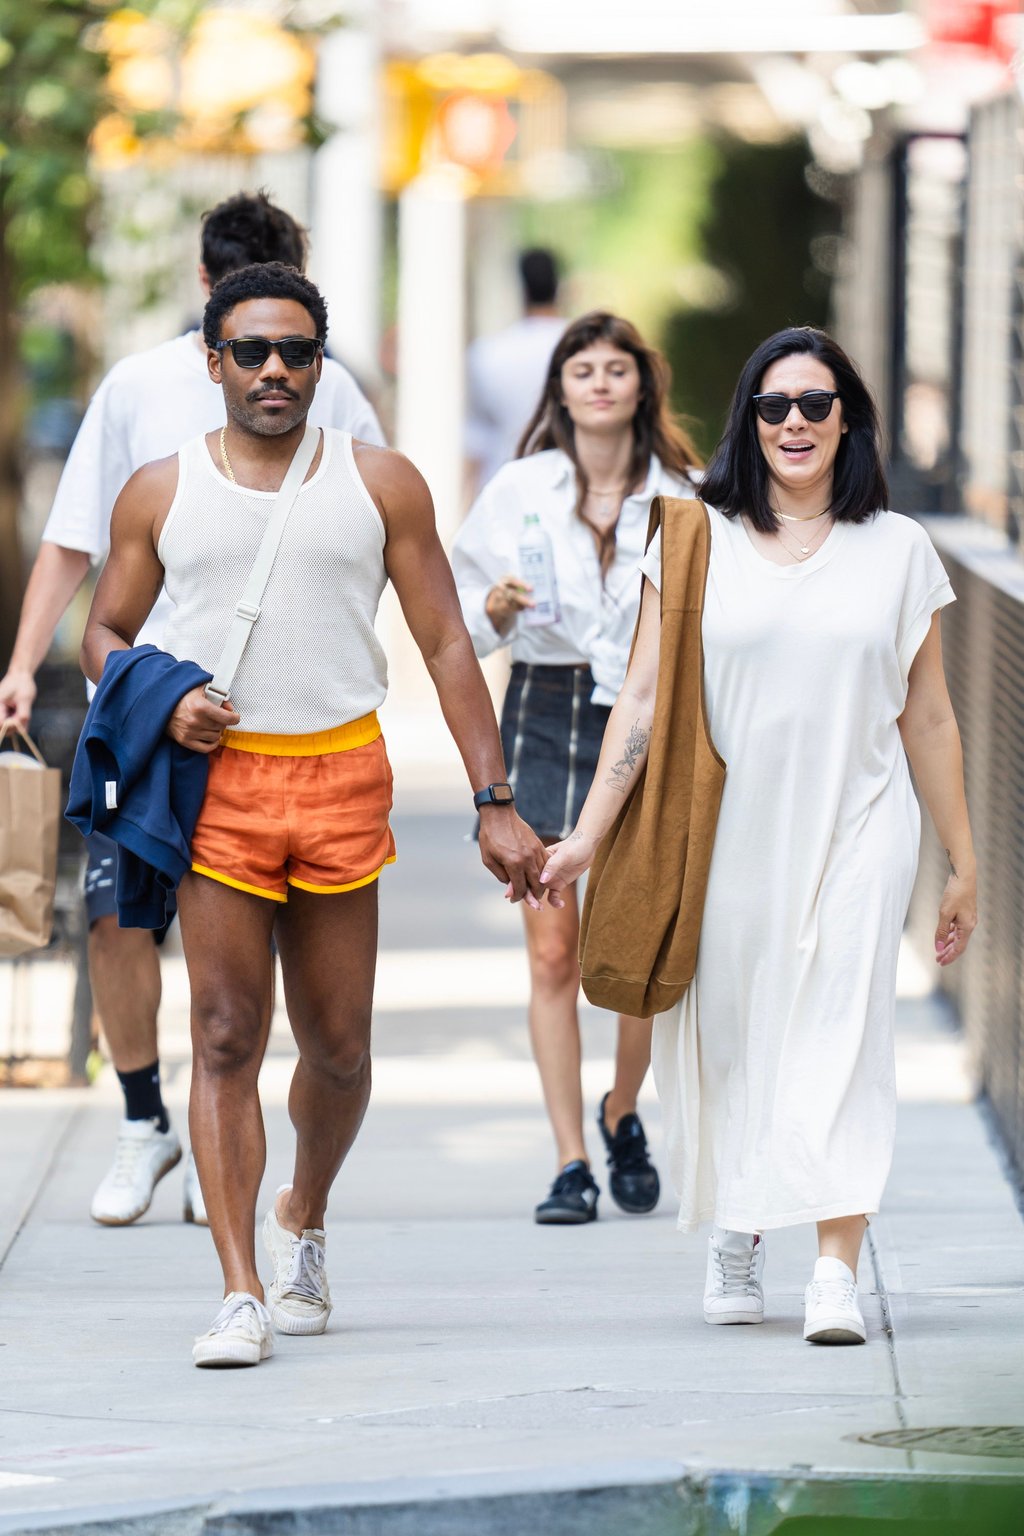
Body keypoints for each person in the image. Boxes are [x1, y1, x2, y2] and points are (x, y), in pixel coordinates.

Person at [80, 261, 552, 1368]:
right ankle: (240, 1289)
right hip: (220, 789)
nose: (276, 369)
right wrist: (169, 694)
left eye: (297, 350)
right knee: (225, 1035)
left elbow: (444, 642)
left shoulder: (381, 481)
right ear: (213, 364)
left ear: (321, 363)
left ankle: (304, 1214)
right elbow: (103, 633)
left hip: (343, 774)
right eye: (252, 351)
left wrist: (495, 803)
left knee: (339, 1052)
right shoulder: (159, 489)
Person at [541, 326, 977, 1342]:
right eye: (772, 407)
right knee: (734, 1043)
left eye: (814, 405)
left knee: (841, 1040)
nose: (793, 423)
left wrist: (962, 861)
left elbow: (931, 716)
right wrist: (585, 838)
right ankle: (737, 1223)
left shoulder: (898, 550)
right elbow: (641, 698)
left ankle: (833, 1268)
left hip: (860, 827)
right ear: (747, 421)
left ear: (847, 421)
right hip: (725, 835)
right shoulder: (695, 536)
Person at [0, 191, 385, 1231]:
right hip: (147, 703)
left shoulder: (329, 385)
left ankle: (252, 1175)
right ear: (209, 300)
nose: (272, 363)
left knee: (272, 1016)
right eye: (240, 314)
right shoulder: (138, 385)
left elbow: (371, 533)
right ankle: (141, 1119)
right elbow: (77, 540)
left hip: (281, 739)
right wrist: (25, 664)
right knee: (123, 914)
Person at [452, 311, 701, 1225]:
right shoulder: (519, 488)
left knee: (635, 939)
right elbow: (460, 622)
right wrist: (498, 606)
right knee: (553, 948)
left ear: (643, 385)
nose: (599, 383)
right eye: (582, 369)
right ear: (558, 387)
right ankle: (569, 1160)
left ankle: (621, 1109)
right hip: (547, 708)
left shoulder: (689, 493)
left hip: (647, 713)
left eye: (616, 369)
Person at [465, 248, 566, 494]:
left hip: (503, 484)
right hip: (567, 483)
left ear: (521, 288)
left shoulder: (487, 352)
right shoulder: (583, 348)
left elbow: (476, 439)